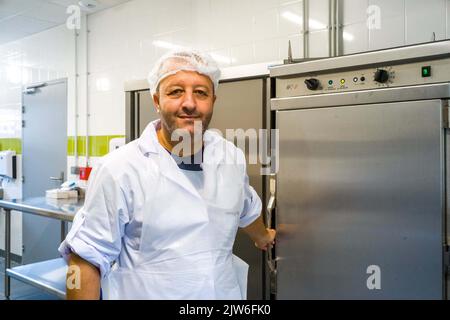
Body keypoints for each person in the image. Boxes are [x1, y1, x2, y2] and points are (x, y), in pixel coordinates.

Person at [59, 49, 276, 300]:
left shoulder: (230, 157)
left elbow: (244, 206)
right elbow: (85, 259)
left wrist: (263, 237)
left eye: (201, 92)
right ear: (156, 100)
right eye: (175, 91)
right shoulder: (119, 169)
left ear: (213, 100)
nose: (189, 103)